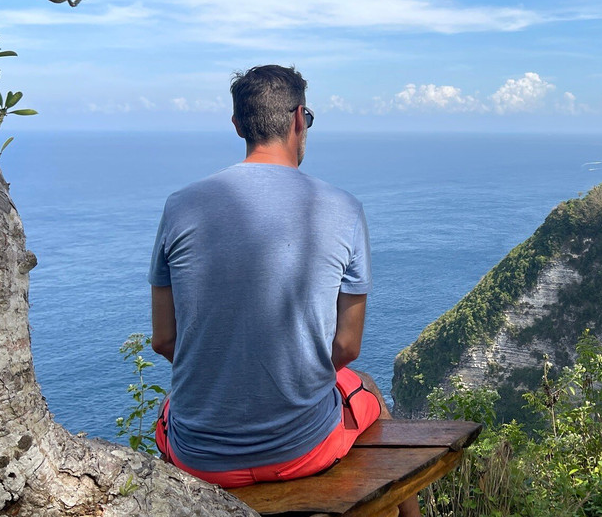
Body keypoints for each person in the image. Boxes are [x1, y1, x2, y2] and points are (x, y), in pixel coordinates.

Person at [149, 65, 417, 514]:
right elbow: (347, 347)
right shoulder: (343, 208)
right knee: (365, 387)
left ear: (237, 125)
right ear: (298, 120)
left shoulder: (179, 207)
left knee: (172, 408)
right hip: (303, 448)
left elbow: (163, 339)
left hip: (200, 459)